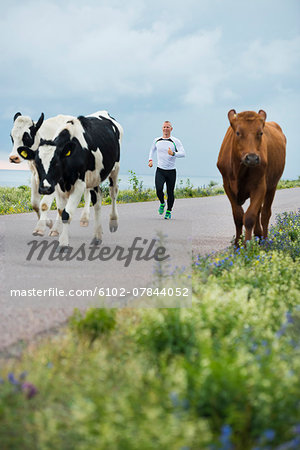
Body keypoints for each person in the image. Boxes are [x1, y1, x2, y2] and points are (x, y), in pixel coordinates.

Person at [148, 121, 185, 219]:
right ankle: (162, 203)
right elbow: (152, 150)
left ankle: (169, 211)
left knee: (170, 192)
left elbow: (183, 153)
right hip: (160, 170)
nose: (165, 129)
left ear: (171, 129)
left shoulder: (175, 141)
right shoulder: (157, 140)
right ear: (162, 128)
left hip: (171, 171)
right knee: (159, 189)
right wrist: (150, 160)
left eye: (167, 127)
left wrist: (173, 153)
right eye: (164, 127)